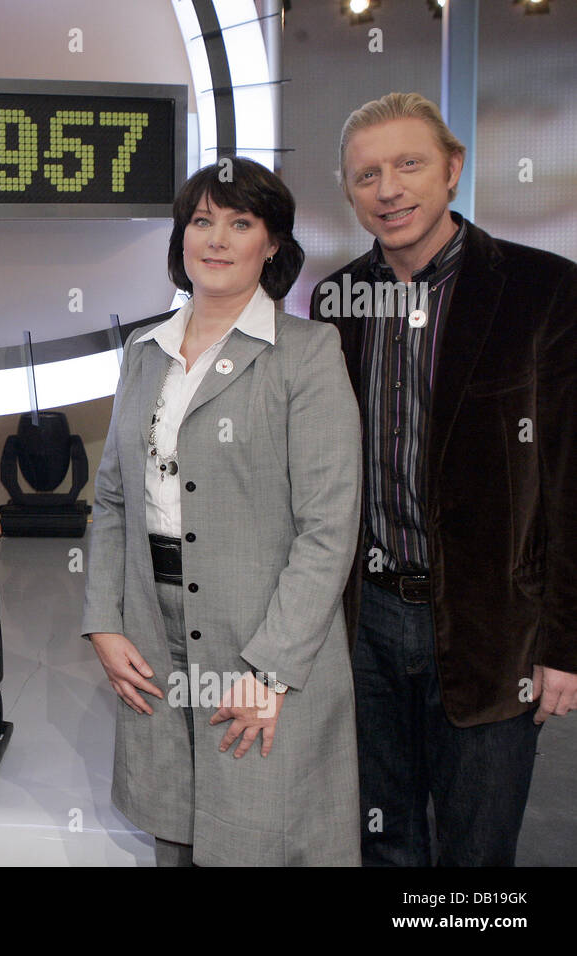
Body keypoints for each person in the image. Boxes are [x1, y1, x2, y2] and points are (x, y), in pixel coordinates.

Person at [310, 92, 577, 866]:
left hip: (496, 631)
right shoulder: (336, 304)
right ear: (350, 191)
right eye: (366, 175)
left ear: (453, 170)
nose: (388, 189)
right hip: (363, 626)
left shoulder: (542, 292)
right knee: (382, 839)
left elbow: (568, 479)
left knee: (477, 852)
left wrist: (565, 641)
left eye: (408, 164)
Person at [81, 157, 362, 866]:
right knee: (174, 829)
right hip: (153, 625)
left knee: (261, 837)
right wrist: (104, 622)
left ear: (272, 245)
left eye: (240, 223)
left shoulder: (307, 353)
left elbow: (328, 529)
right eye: (202, 220)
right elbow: (113, 498)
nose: (216, 238)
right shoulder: (144, 352)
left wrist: (270, 670)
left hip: (265, 638)